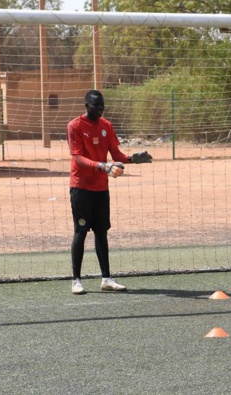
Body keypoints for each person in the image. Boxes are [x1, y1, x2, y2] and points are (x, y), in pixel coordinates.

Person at [67, 89, 153, 295]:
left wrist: (131, 159)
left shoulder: (106, 126)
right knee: (80, 232)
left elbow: (116, 154)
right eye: (96, 105)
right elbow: (77, 157)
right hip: (80, 187)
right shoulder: (75, 126)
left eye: (102, 105)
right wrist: (102, 166)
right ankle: (76, 280)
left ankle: (106, 278)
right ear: (86, 105)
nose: (100, 108)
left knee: (101, 232)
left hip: (100, 188)